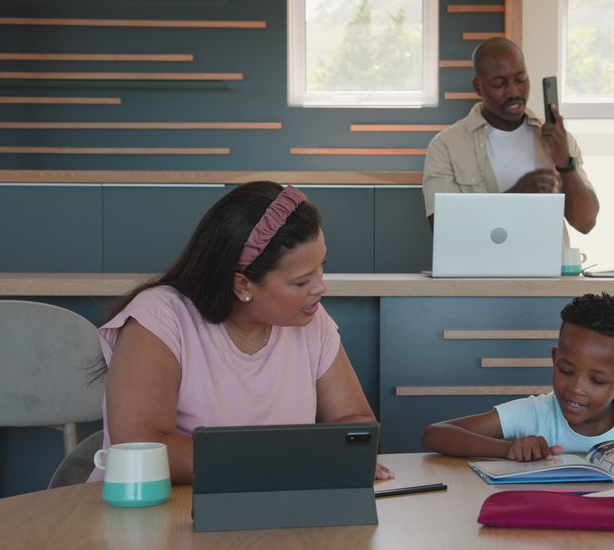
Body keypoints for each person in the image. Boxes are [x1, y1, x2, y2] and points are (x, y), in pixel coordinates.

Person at [89, 181, 393, 483]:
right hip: (154, 515)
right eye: (301, 281)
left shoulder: (312, 322)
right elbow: (141, 450)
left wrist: (337, 454)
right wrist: (299, 458)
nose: (320, 287)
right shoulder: (159, 319)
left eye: (320, 267)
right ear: (242, 285)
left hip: (272, 512)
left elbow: (357, 426)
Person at [421, 293, 614, 461]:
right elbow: (436, 433)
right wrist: (508, 448)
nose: (576, 388)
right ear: (554, 358)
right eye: (565, 371)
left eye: (597, 381)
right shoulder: (535, 412)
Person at [422, 37, 600, 234]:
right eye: (499, 84)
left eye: (520, 79)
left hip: (548, 265)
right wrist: (516, 196)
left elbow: (585, 223)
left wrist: (565, 165)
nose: (514, 91)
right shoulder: (446, 146)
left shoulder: (558, 140)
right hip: (484, 265)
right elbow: (444, 230)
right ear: (478, 87)